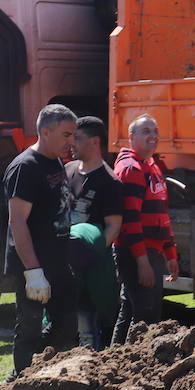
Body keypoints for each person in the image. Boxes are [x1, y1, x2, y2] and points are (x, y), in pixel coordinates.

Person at [4, 104, 78, 374]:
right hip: (34, 264)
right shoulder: (25, 167)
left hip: (59, 261)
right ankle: (19, 386)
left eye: (73, 135)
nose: (72, 141)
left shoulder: (56, 160)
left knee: (67, 327)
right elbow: (18, 221)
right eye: (66, 134)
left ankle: (53, 382)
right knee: (29, 329)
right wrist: (33, 272)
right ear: (45, 132)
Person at [111, 114, 179, 343]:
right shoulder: (132, 169)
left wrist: (170, 254)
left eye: (155, 130)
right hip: (137, 254)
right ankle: (132, 367)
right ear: (131, 137)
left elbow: (162, 215)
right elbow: (129, 220)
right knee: (146, 318)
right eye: (146, 131)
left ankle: (115, 361)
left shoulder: (152, 167)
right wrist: (142, 262)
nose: (153, 135)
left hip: (152, 253)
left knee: (131, 312)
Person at [65, 116, 122, 349]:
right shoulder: (67, 170)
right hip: (64, 260)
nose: (72, 144)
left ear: (94, 142)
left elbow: (113, 226)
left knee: (88, 323)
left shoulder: (110, 182)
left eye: (77, 138)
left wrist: (91, 255)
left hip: (91, 265)